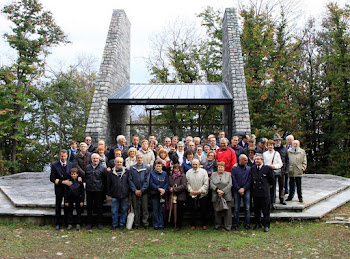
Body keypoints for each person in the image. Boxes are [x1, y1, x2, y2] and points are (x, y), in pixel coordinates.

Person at [50, 150, 74, 230]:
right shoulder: (55, 165)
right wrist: (62, 182)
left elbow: (72, 176)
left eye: (64, 156)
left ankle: (68, 223)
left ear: (67, 156)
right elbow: (52, 178)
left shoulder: (71, 165)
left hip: (68, 189)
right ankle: (58, 223)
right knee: (58, 206)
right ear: (59, 156)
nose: (63, 158)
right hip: (59, 188)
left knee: (68, 206)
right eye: (61, 156)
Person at [251, 154, 274, 232]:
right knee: (257, 209)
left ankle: (266, 224)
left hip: (264, 192)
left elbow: (272, 180)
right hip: (256, 192)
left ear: (262, 160)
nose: (256, 160)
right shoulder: (253, 168)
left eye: (258, 159)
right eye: (255, 159)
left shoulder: (267, 168)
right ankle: (258, 223)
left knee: (265, 210)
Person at [85, 153, 107, 230]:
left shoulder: (102, 168)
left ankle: (99, 223)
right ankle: (89, 223)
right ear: (91, 159)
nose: (95, 160)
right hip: (89, 190)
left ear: (99, 159)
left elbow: (105, 179)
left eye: (97, 159)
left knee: (99, 208)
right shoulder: (87, 168)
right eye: (94, 158)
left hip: (99, 191)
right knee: (89, 208)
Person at [128, 154, 151, 229]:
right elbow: (130, 179)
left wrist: (142, 190)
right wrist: (135, 190)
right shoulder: (132, 168)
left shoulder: (147, 168)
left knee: (145, 208)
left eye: (141, 158)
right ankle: (136, 223)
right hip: (134, 191)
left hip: (144, 192)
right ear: (136, 159)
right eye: (138, 158)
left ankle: (145, 223)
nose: (139, 159)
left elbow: (147, 180)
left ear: (143, 159)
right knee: (135, 207)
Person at [107, 157, 129, 230]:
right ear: (115, 163)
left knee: (124, 210)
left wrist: (129, 193)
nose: (119, 163)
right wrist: (109, 194)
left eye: (120, 162)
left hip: (125, 194)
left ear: (122, 163)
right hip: (114, 195)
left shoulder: (126, 171)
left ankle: (122, 224)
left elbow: (129, 183)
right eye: (118, 162)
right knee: (114, 211)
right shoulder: (111, 173)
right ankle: (114, 224)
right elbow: (108, 184)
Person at [186, 159, 209, 230]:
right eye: (193, 164)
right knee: (193, 211)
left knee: (204, 210)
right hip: (192, 194)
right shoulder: (188, 172)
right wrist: (191, 190)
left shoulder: (204, 172)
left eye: (196, 164)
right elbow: (187, 183)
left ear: (199, 164)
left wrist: (200, 191)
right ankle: (193, 224)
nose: (195, 166)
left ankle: (204, 224)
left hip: (202, 194)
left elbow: (206, 183)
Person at [210, 161, 233, 231]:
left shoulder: (228, 174)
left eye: (221, 167)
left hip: (226, 195)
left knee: (228, 212)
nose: (220, 168)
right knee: (217, 211)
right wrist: (217, 190)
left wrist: (223, 191)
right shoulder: (213, 174)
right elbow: (211, 184)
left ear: (224, 168)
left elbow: (230, 184)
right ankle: (217, 225)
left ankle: (228, 226)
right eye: (219, 167)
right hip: (216, 195)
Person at [231, 154, 251, 230]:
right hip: (237, 190)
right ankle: (236, 223)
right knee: (236, 208)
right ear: (240, 160)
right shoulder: (234, 169)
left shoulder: (249, 169)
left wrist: (244, 188)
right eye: (245, 160)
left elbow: (250, 180)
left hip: (246, 189)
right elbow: (234, 179)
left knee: (247, 208)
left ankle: (247, 223)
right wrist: (239, 189)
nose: (246, 161)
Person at [149, 160, 169, 230]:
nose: (158, 167)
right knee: (155, 210)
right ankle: (156, 224)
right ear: (155, 166)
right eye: (157, 166)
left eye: (159, 166)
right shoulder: (152, 173)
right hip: (155, 194)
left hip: (162, 194)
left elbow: (167, 182)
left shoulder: (165, 174)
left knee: (161, 210)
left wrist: (164, 189)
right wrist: (158, 189)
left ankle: (161, 224)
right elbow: (151, 183)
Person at [263, 139, 283, 206]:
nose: (270, 146)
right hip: (266, 173)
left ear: (273, 146)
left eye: (271, 145)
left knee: (273, 187)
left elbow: (280, 164)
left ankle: (273, 201)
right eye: (269, 145)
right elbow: (263, 163)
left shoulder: (277, 154)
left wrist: (274, 166)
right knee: (268, 187)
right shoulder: (264, 154)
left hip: (274, 172)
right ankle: (267, 201)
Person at [168, 164, 187, 230]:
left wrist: (175, 189)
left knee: (179, 211)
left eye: (177, 169)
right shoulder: (170, 176)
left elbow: (184, 185)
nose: (176, 170)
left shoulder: (183, 176)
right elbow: (168, 184)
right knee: (173, 210)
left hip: (180, 196)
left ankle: (179, 225)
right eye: (174, 169)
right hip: (172, 196)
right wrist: (170, 189)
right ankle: (173, 223)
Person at [273, 133, 289, 205]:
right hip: (273, 170)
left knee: (281, 185)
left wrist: (287, 169)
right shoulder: (272, 149)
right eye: (276, 140)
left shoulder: (284, 149)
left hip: (282, 170)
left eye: (278, 140)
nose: (277, 142)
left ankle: (281, 198)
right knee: (273, 185)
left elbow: (287, 160)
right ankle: (273, 199)